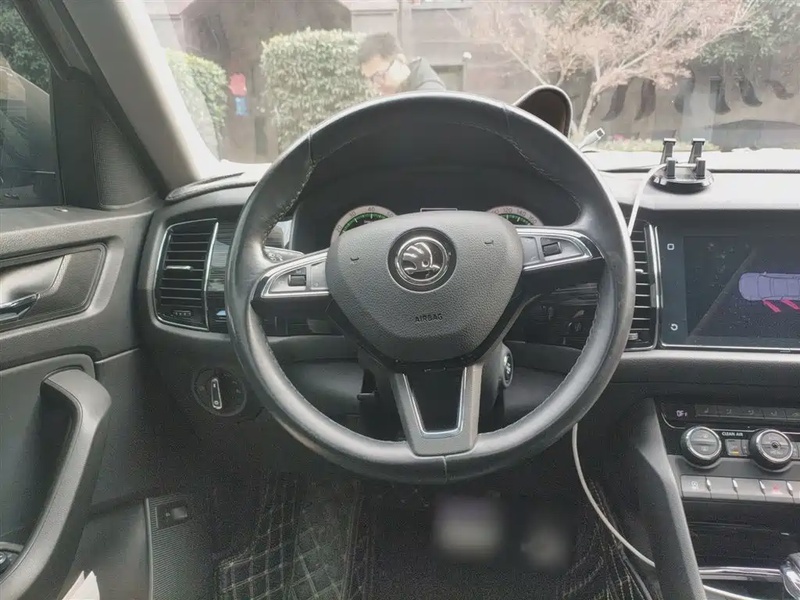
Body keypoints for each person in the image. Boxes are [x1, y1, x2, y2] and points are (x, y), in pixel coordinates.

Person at [357, 32, 446, 95]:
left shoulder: (429, 95)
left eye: (379, 76)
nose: (375, 86)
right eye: (369, 80)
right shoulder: (401, 93)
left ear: (400, 60)